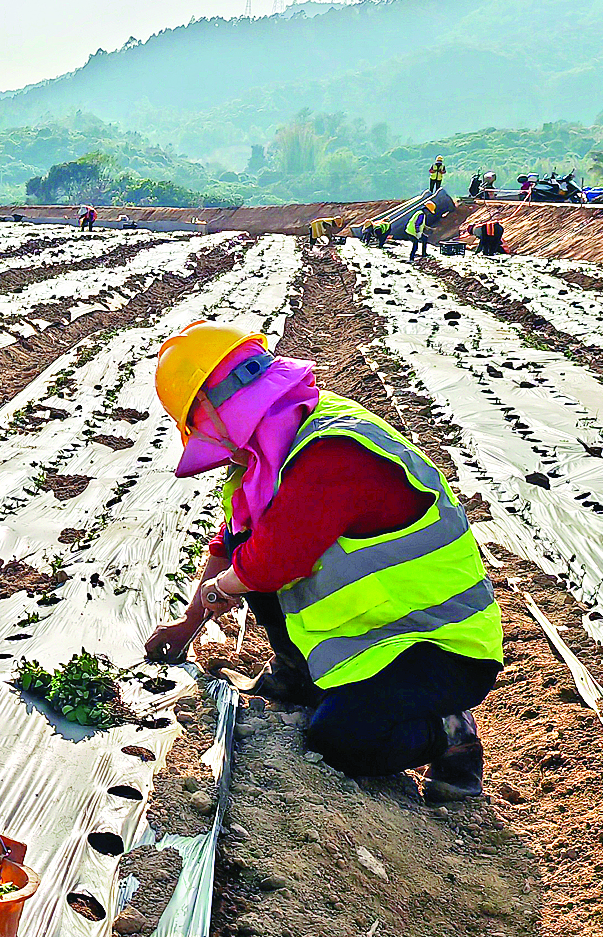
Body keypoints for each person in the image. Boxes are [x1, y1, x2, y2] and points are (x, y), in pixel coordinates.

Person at [143, 323, 502, 800]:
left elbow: (267, 564)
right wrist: (187, 624)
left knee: (341, 740)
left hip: (438, 645)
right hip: (376, 634)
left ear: (213, 412)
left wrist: (219, 591)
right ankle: (298, 676)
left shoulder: (332, 451)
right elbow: (234, 544)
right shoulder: (271, 447)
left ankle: (449, 732)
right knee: (251, 549)